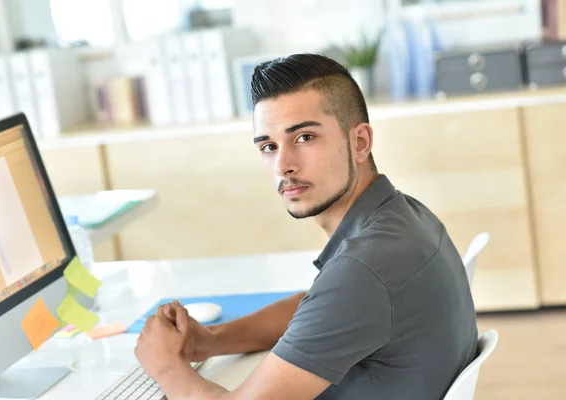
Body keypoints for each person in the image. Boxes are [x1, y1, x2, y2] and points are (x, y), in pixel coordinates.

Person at [134, 53, 479, 399]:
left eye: (304, 138)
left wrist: (166, 367)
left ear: (360, 142)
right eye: (269, 147)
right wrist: (210, 341)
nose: (283, 165)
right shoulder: (403, 218)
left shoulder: (363, 270)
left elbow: (344, 294)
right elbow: (316, 307)